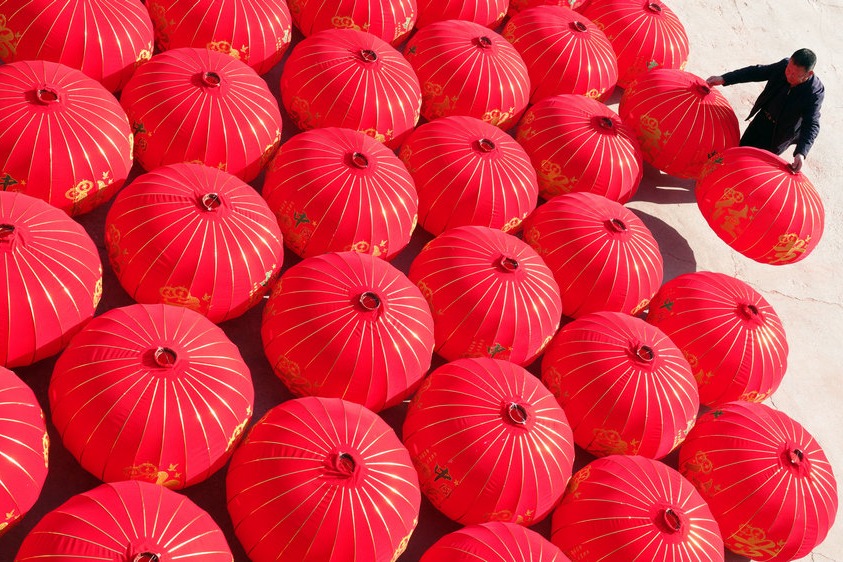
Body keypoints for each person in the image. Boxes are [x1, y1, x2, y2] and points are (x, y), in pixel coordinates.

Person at [706, 48, 824, 172]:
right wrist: (724, 78)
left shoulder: (814, 92)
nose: (789, 75)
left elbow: (812, 124)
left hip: (780, 135)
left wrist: (801, 152)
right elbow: (756, 72)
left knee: (755, 166)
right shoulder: (783, 66)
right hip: (762, 119)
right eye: (788, 70)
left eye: (795, 74)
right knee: (740, 150)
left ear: (808, 74)